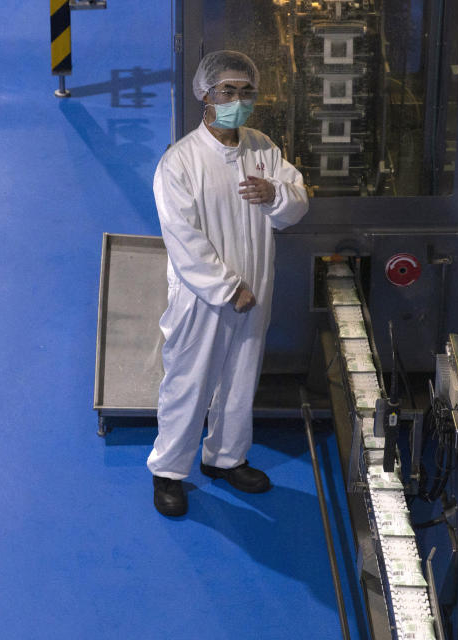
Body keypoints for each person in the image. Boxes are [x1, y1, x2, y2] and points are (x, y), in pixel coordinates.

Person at [148, 51, 309, 517]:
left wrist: (276, 194)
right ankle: (169, 471)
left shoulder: (262, 148)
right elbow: (183, 239)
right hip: (203, 298)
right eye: (227, 91)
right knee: (189, 381)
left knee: (241, 378)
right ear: (205, 94)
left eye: (245, 92)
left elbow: (296, 204)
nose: (237, 100)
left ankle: (225, 458)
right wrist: (226, 288)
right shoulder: (180, 163)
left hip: (256, 286)